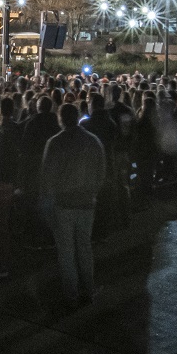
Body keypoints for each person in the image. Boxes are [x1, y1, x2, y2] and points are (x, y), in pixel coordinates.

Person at [40, 103, 106, 305]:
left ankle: (71, 294)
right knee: (84, 247)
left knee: (66, 251)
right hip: (86, 202)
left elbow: (47, 176)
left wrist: (48, 201)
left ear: (60, 119)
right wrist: (93, 192)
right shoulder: (92, 140)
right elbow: (101, 171)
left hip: (63, 204)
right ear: (77, 117)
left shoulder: (55, 142)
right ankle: (89, 289)